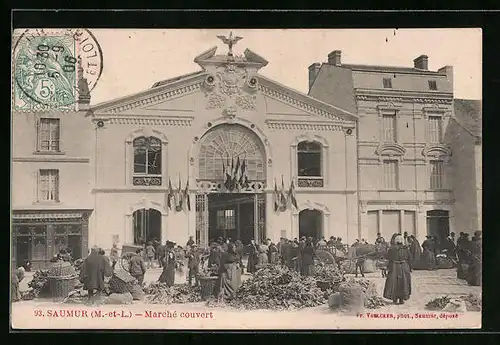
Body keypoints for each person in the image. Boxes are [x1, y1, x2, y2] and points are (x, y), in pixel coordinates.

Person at [383, 234, 412, 305]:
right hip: (404, 266)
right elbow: (410, 258)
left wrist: (388, 268)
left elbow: (388, 258)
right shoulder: (406, 249)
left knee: (394, 282)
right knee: (404, 282)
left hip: (394, 267)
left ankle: (394, 298)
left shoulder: (392, 249)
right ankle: (402, 299)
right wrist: (409, 267)